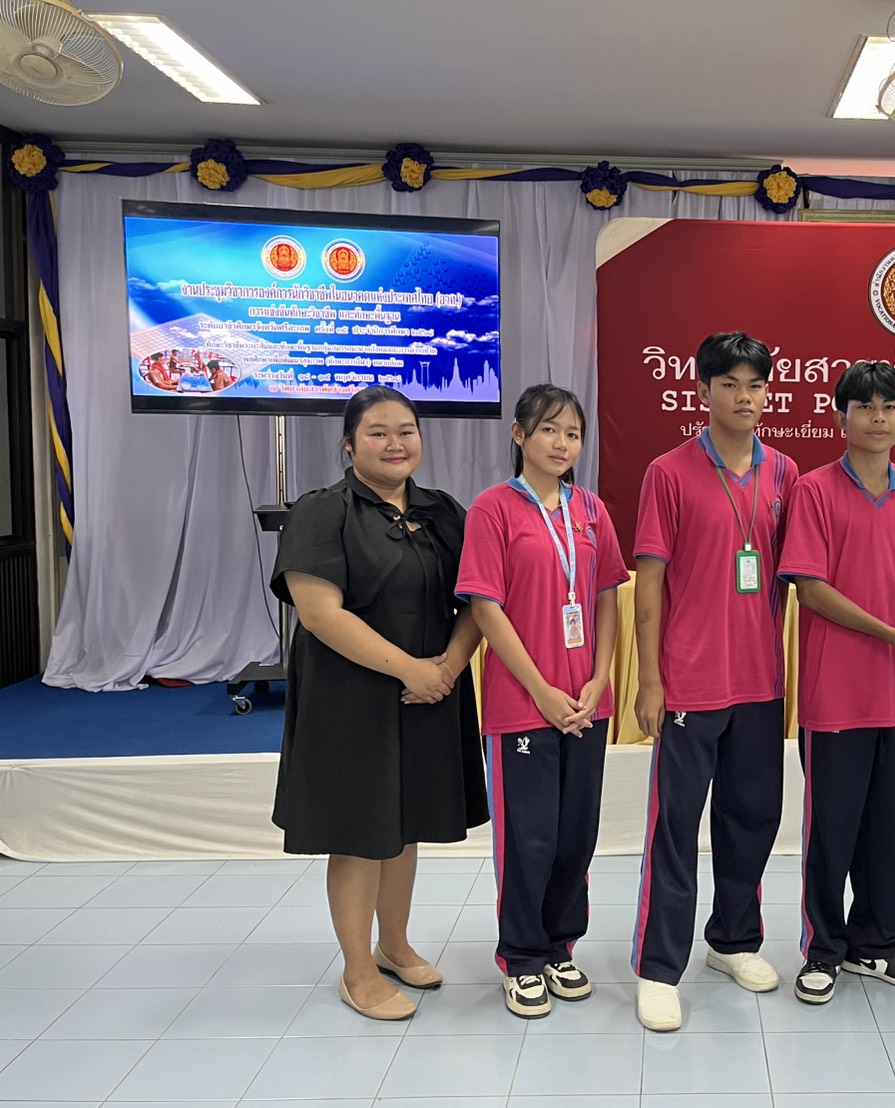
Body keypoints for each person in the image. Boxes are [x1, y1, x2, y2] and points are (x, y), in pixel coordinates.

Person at [271, 386, 488, 1021]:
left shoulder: (443, 511)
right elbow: (319, 613)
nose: (396, 444)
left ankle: (394, 945)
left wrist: (447, 667)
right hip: (350, 696)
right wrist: (413, 670)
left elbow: (479, 598)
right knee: (361, 832)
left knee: (406, 822)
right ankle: (357, 971)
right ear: (349, 444)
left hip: (430, 689)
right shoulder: (322, 511)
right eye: (378, 433)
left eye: (406, 431)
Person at [630, 331, 799, 1031]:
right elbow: (648, 583)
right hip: (689, 682)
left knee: (751, 817)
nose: (744, 398)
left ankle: (732, 940)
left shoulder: (784, 471)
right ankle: (658, 967)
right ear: (702, 391)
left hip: (759, 680)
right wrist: (649, 680)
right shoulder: (667, 472)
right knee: (676, 828)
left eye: (755, 385)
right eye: (729, 384)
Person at [457, 384, 628, 1019]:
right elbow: (485, 607)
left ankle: (560, 946)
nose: (562, 444)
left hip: (585, 704)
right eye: (549, 430)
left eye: (573, 433)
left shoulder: (591, 510)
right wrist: (541, 690)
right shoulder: (493, 509)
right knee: (528, 838)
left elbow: (607, 596)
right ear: (519, 435)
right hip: (524, 704)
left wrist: (599, 678)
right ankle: (523, 955)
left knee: (575, 836)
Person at [778, 360, 895, 1005]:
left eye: (890, 406)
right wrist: (889, 633)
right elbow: (810, 587)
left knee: (890, 830)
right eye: (865, 407)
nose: (879, 418)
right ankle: (823, 950)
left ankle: (879, 944)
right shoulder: (814, 490)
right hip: (836, 694)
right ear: (840, 416)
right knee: (832, 830)